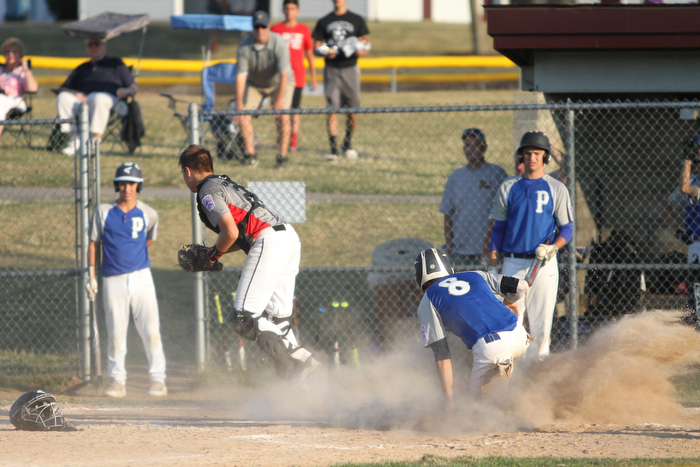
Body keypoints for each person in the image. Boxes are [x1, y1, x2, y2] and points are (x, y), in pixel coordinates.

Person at [178, 144, 319, 381]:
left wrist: (212, 256)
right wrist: (215, 251)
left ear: (188, 171)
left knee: (243, 318)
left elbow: (230, 233)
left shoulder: (207, 191)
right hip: (288, 238)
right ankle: (302, 386)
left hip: (269, 241)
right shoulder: (224, 183)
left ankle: (300, 359)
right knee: (276, 321)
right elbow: (239, 235)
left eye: (183, 173)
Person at [488, 131, 574, 360]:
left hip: (543, 263)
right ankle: (510, 376)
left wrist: (554, 247)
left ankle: (538, 377)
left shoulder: (557, 188)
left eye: (537, 153)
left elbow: (567, 228)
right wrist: (493, 261)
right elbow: (498, 228)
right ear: (521, 157)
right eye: (527, 153)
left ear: (545, 156)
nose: (532, 157)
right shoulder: (508, 187)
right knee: (508, 323)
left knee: (541, 325)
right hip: (513, 262)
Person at [87, 162, 167, 398]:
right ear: (116, 185)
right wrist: (91, 274)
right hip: (113, 279)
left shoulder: (148, 213)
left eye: (131, 183)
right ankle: (117, 380)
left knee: (151, 329)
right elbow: (93, 242)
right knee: (115, 331)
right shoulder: (103, 212)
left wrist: (135, 258)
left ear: (138, 186)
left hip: (141, 277)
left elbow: (149, 239)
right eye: (122, 183)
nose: (127, 188)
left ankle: (158, 379)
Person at [414, 248, 531, 406]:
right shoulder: (475, 274)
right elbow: (521, 286)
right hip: (520, 334)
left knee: (476, 412)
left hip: (493, 349)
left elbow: (441, 353)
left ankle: (504, 404)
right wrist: (509, 300)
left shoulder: (428, 299)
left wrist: (448, 399)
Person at [56, 37, 136, 156]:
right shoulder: (82, 68)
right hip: (84, 103)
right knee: (63, 97)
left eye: (97, 44)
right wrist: (76, 94)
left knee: (98, 97)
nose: (93, 47)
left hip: (112, 103)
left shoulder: (116, 64)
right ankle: (75, 139)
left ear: (105, 46)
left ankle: (94, 142)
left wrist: (126, 90)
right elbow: (63, 88)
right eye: (90, 44)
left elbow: (133, 88)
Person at [235, 10, 295, 168]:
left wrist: (279, 101)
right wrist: (239, 104)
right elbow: (241, 76)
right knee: (243, 114)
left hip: (279, 83)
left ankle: (282, 157)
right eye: (256, 27)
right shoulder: (244, 46)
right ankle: (251, 155)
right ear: (252, 28)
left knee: (283, 116)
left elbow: (284, 74)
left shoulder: (279, 43)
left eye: (263, 26)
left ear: (268, 26)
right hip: (255, 84)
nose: (260, 30)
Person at [440, 128, 507, 268]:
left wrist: (490, 245)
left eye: (475, 145)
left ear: (484, 147)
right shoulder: (456, 177)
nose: (471, 149)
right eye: (467, 145)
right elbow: (447, 214)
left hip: (490, 250)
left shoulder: (497, 174)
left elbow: (503, 212)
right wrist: (450, 245)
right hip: (460, 251)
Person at [312, 0, 370, 162]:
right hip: (331, 69)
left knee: (353, 110)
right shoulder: (324, 21)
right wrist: (325, 52)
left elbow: (365, 43)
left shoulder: (356, 19)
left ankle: (347, 143)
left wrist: (359, 50)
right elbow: (316, 47)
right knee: (332, 109)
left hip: (350, 69)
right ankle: (333, 150)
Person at [271, 0, 318, 153]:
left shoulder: (303, 30)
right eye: (287, 8)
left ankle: (293, 141)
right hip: (280, 77)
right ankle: (281, 137)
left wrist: (314, 76)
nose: (289, 11)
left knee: (294, 110)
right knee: (279, 111)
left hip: (297, 76)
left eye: (292, 8)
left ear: (297, 11)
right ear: (283, 10)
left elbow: (309, 53)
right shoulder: (276, 29)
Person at [663, 135, 700, 322]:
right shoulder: (695, 180)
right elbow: (667, 205)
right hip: (695, 244)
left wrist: (687, 160)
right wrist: (677, 230)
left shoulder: (693, 183)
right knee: (694, 293)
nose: (697, 153)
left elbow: (685, 188)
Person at [0, 37, 37, 136]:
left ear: (20, 54)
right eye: (7, 52)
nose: (10, 54)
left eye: (14, 52)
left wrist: (26, 68)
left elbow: (33, 89)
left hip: (16, 101)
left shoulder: (22, 71)